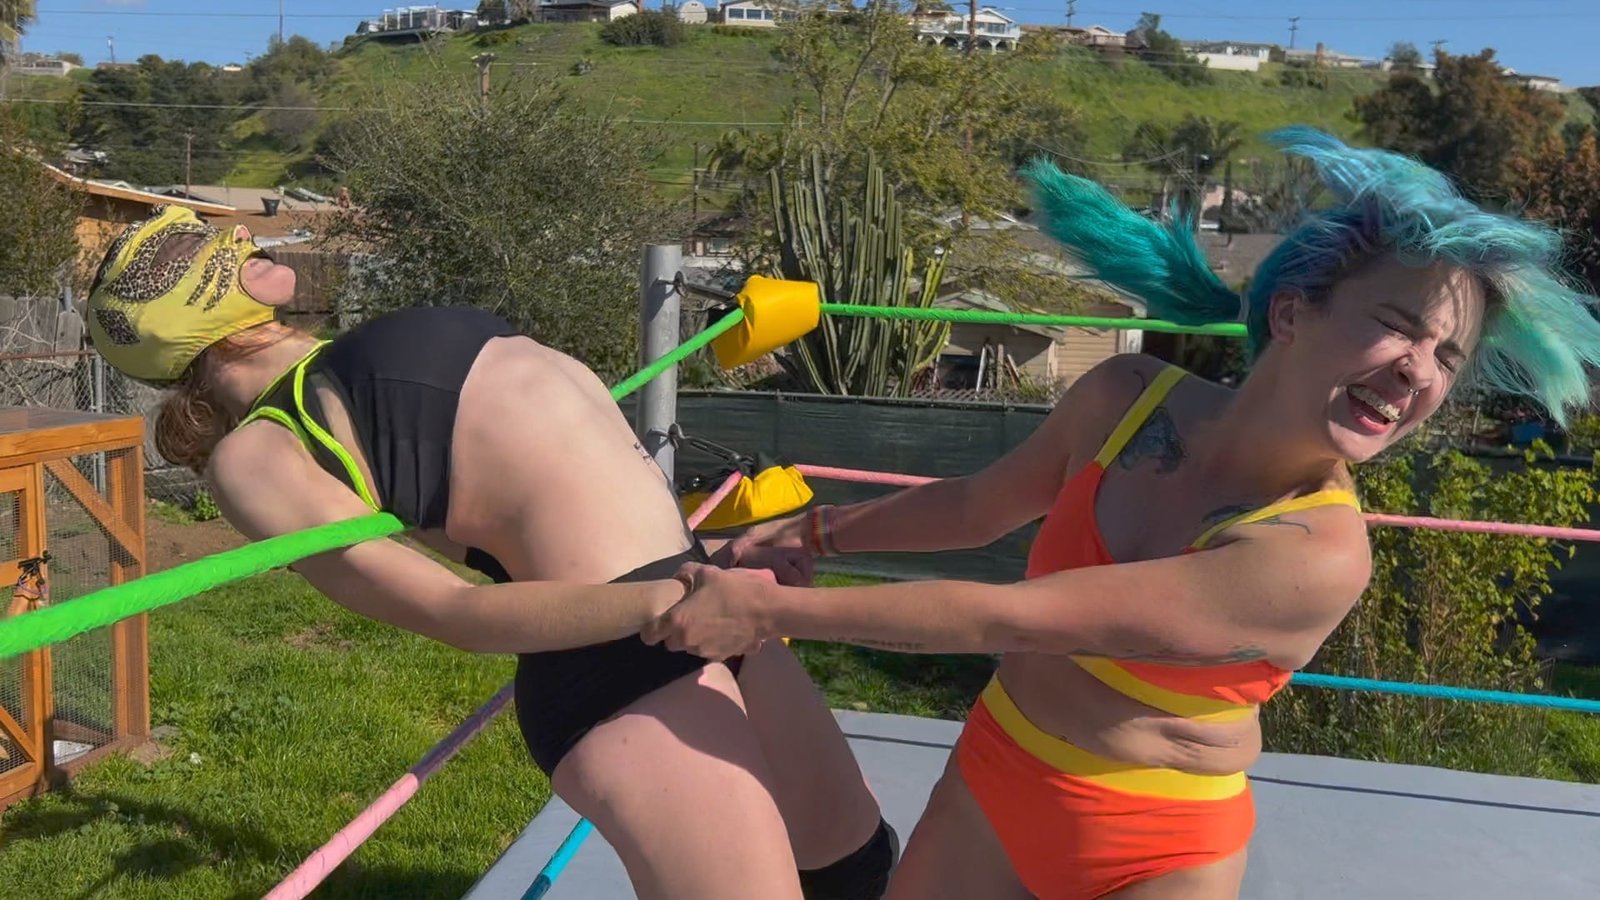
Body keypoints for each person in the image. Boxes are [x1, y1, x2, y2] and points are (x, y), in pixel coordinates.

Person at [642, 127, 1600, 899]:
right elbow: (978, 508)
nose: (1418, 370)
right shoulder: (1127, 397)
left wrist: (765, 609)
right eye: (1397, 324)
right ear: (1291, 312)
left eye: (1446, 357)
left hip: (1156, 847)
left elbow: (1015, 615)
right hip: (997, 775)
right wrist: (812, 532)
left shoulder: (1318, 552)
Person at [83, 205, 898, 900]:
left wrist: (717, 559)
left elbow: (580, 487)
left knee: (857, 870)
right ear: (161, 318)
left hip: (700, 594)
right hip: (623, 659)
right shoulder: (256, 452)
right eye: (185, 251)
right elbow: (455, 611)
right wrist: (676, 598)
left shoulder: (340, 359)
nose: (233, 237)